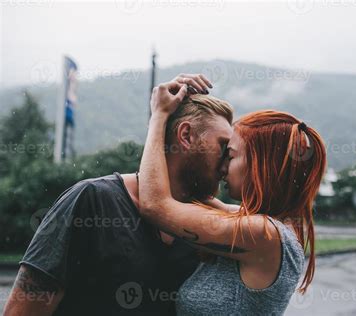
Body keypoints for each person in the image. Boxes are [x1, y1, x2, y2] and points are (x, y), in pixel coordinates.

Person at [4, 74, 232, 316]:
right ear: (185, 136)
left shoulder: (203, 227)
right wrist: (160, 116)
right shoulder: (92, 200)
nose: (227, 164)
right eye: (223, 146)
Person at [138, 78, 327, 315]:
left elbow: (156, 205)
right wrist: (186, 105)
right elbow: (189, 197)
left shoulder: (263, 234)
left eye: (232, 155)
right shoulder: (259, 223)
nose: (223, 166)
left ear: (260, 165)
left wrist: (159, 115)